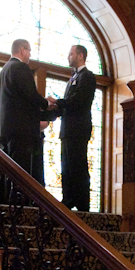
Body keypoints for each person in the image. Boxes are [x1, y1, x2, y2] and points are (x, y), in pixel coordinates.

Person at [48, 45, 96, 212]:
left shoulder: (87, 76)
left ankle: (82, 204)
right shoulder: (73, 77)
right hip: (67, 129)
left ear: (81, 56)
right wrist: (56, 109)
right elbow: (69, 103)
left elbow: (80, 100)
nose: (68, 56)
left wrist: (58, 102)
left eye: (71, 54)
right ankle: (68, 199)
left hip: (78, 129)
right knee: (66, 166)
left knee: (78, 166)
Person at [0, 37, 49, 177]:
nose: (30, 55)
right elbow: (30, 95)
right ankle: (18, 200)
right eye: (29, 51)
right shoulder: (20, 67)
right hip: (21, 130)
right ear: (22, 50)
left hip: (5, 129)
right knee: (21, 173)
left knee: (9, 172)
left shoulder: (3, 71)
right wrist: (47, 104)